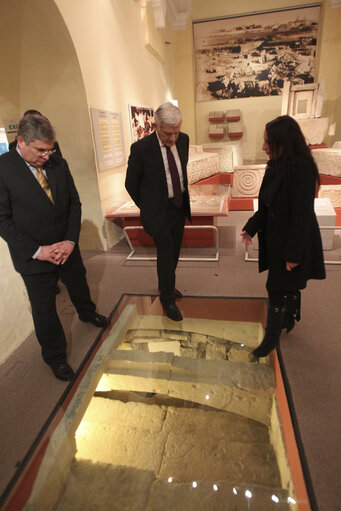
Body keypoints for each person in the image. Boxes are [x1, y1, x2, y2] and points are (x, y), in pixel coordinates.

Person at [0, 114, 110, 381]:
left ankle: (86, 312)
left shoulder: (58, 162)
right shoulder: (3, 168)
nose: (47, 156)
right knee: (44, 309)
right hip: (33, 256)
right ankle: (55, 357)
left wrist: (70, 241)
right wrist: (39, 251)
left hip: (66, 246)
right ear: (21, 141)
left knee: (78, 283)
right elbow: (2, 220)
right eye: (41, 150)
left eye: (50, 148)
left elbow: (74, 203)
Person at [241, 115, 326, 357]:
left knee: (275, 287)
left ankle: (271, 337)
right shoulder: (275, 164)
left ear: (283, 142)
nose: (263, 146)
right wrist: (250, 227)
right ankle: (290, 316)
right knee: (285, 283)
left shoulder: (303, 168)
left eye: (268, 141)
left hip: (292, 240)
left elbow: (301, 216)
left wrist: (293, 254)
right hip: (275, 238)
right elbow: (266, 206)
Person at [125, 102, 191, 321]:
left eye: (176, 132)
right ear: (156, 125)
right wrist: (148, 206)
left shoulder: (184, 140)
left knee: (174, 253)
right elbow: (131, 184)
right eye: (167, 133)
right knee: (165, 253)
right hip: (158, 212)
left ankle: (168, 286)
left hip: (179, 206)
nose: (172, 138)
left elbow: (181, 170)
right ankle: (167, 299)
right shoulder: (142, 149)